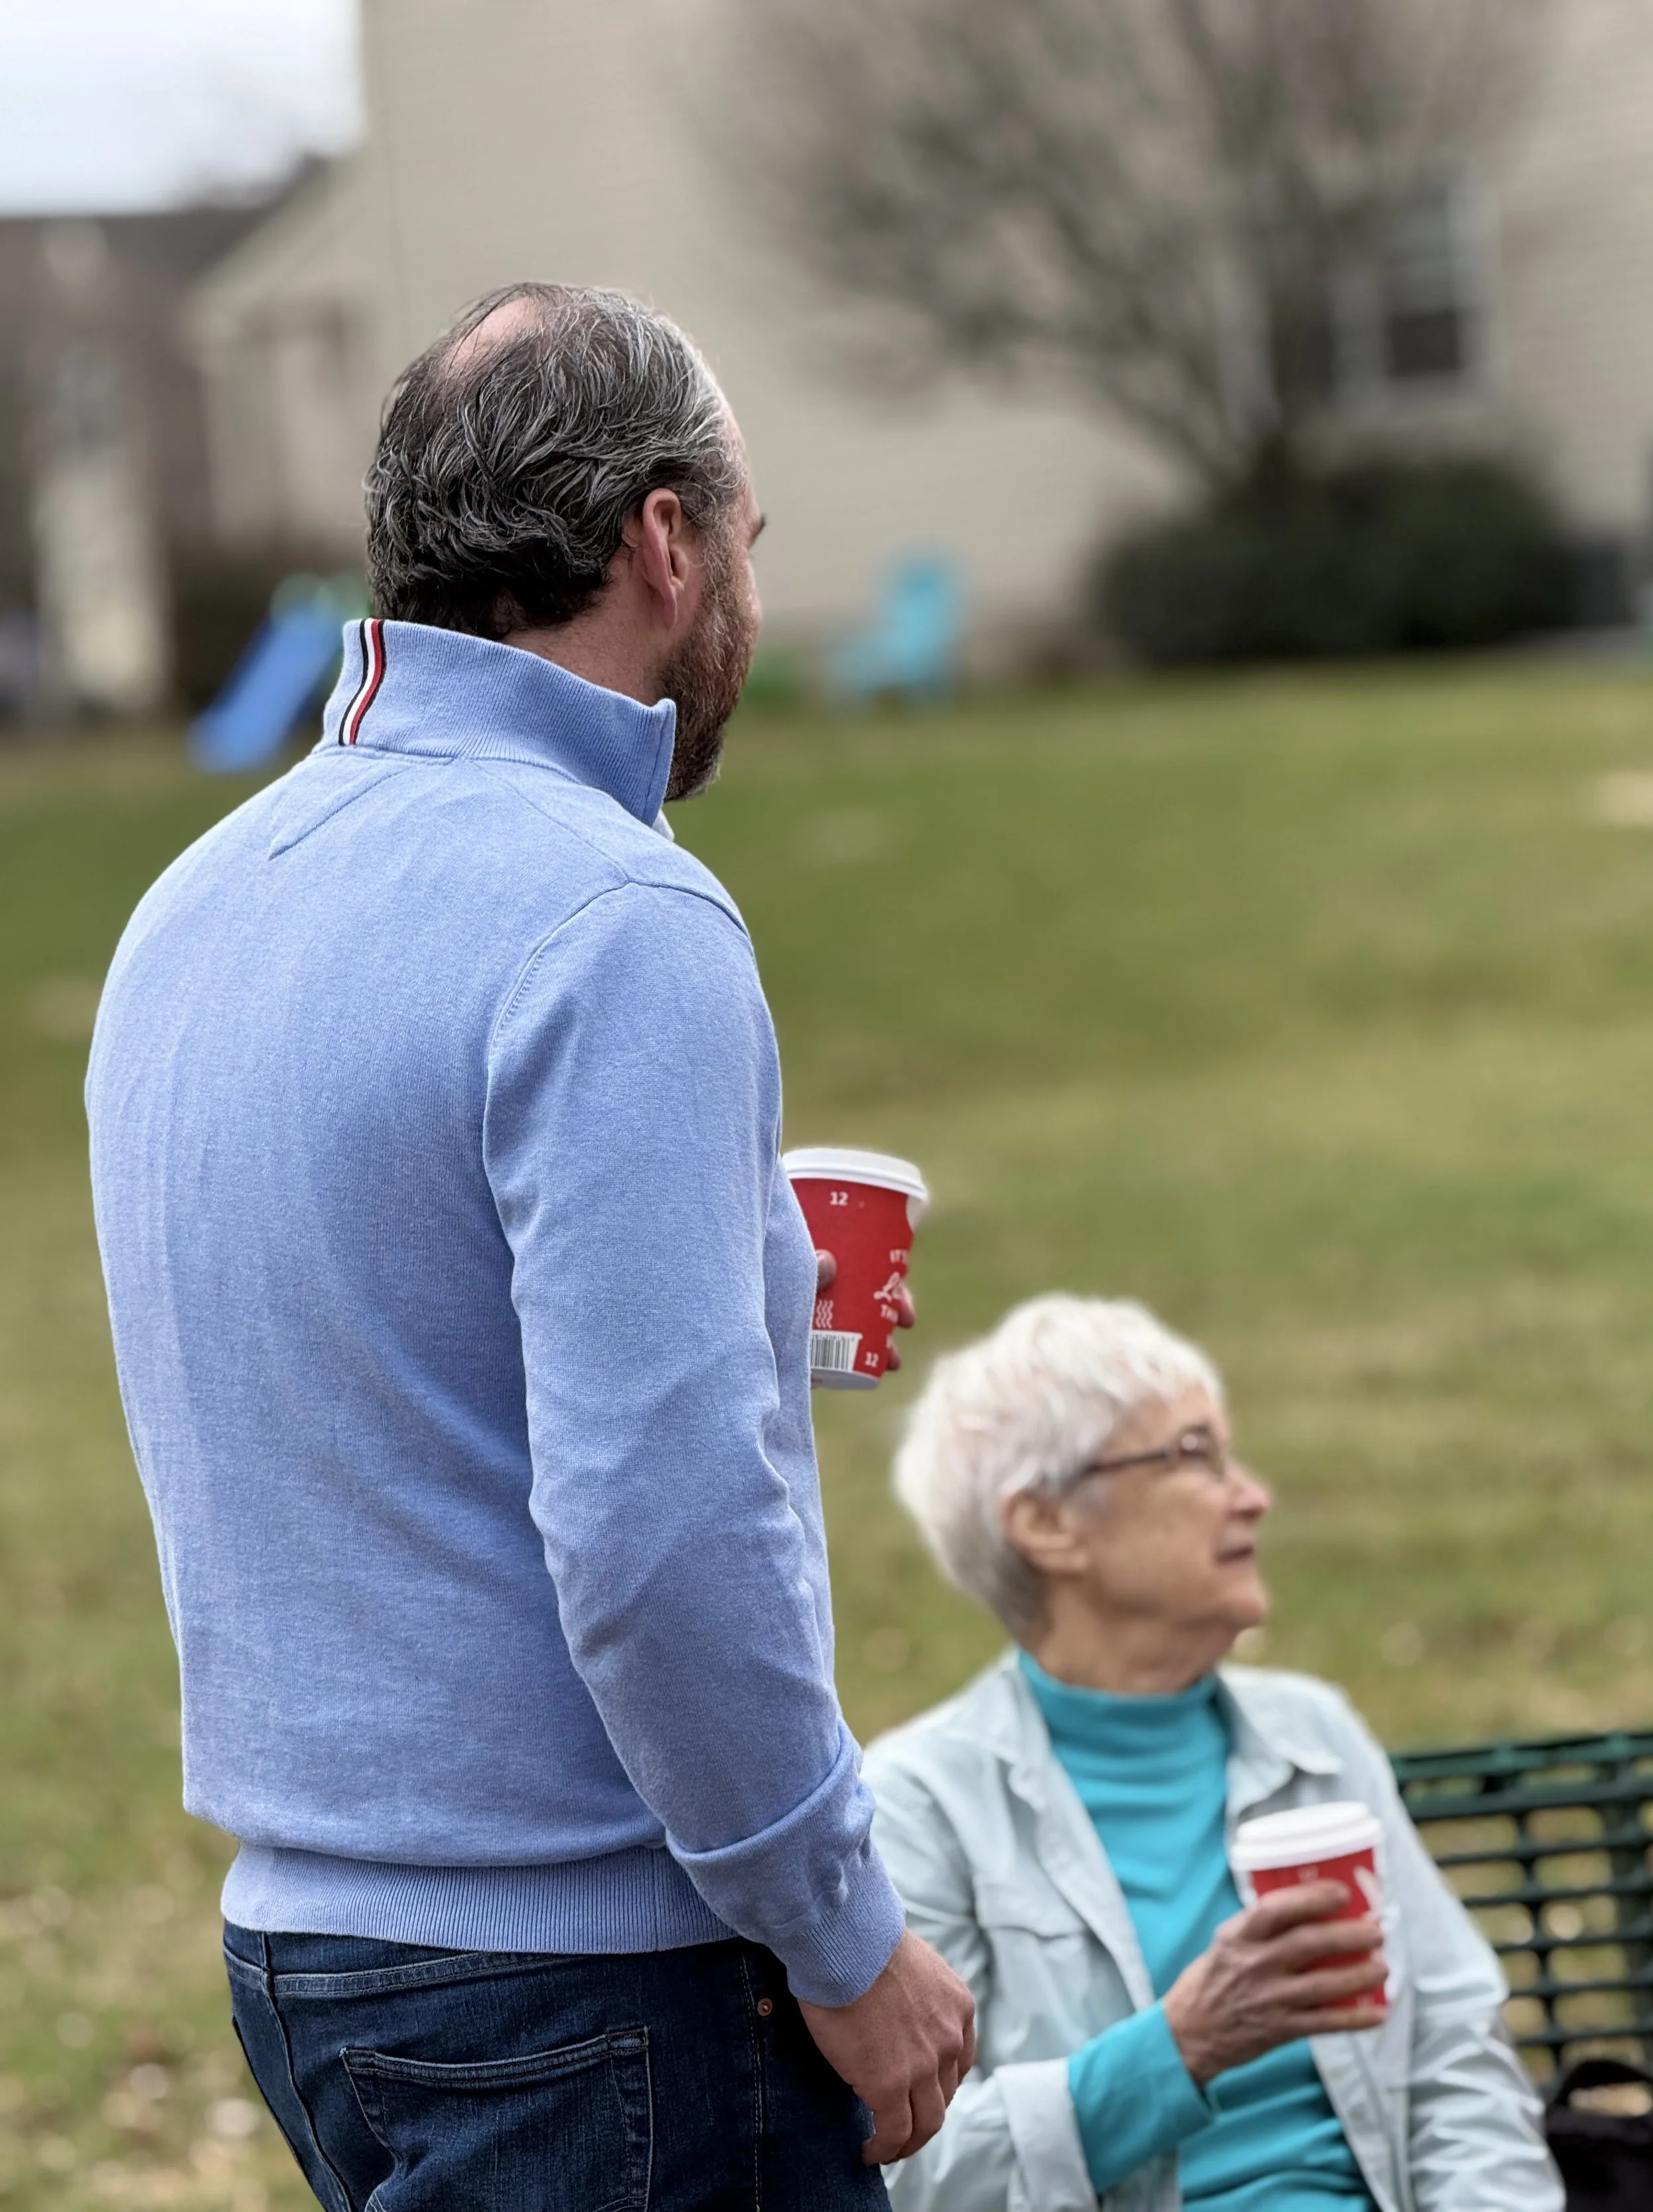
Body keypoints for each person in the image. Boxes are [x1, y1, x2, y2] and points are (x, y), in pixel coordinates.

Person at [86, 284, 973, 2212]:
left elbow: (370, 1347)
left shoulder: (192, 906)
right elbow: (661, 1537)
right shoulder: (615, 919)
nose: (745, 581)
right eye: (745, 533)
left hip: (309, 1965)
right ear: (666, 539)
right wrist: (841, 1936)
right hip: (604, 1996)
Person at [865, 1293, 1562, 2212]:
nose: (1252, 1494)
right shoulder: (921, 1802)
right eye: (1194, 1455)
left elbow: (1453, 2055)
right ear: (1048, 1525)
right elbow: (913, 2176)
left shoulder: (1313, 1737)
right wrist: (1179, 2048)